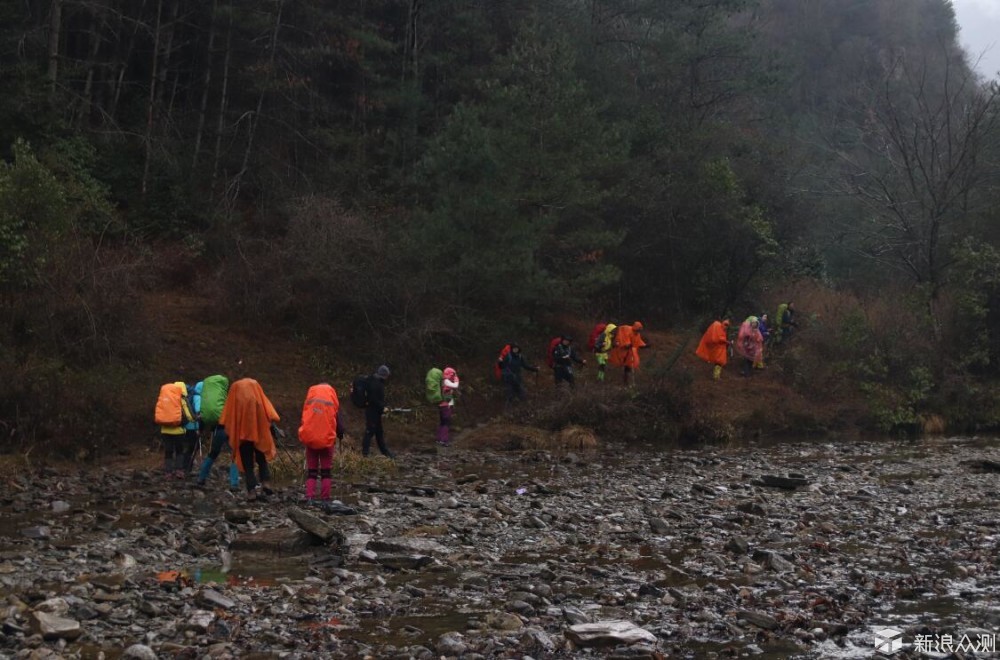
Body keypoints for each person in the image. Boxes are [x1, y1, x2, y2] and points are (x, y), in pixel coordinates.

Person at [219, 377, 281, 502]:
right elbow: (269, 411)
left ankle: (251, 491)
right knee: (261, 458)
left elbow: (228, 415)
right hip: (259, 433)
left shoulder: (235, 394)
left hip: (243, 437)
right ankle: (266, 483)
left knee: (248, 464)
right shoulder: (257, 395)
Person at [298, 383, 346, 507]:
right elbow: (339, 425)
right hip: (327, 441)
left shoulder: (310, 403)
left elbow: (304, 419)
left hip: (311, 441)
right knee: (326, 471)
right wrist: (340, 434)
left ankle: (309, 497)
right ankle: (325, 498)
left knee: (312, 471)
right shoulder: (331, 404)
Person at [196, 374, 240, 489]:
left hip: (218, 429)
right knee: (235, 455)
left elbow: (203, 415)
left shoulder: (210, 400)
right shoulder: (227, 398)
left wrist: (200, 429)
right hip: (230, 429)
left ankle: (201, 478)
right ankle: (234, 484)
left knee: (213, 454)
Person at [159, 382, 195, 479]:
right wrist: (194, 419)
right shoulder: (182, 399)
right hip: (178, 430)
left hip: (165, 430)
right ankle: (179, 470)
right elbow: (189, 415)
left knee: (168, 451)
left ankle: (168, 472)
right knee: (179, 450)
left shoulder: (164, 398)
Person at [363, 365, 395, 459]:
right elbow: (374, 399)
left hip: (376, 412)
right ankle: (365, 453)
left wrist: (383, 407)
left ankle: (385, 452)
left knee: (379, 432)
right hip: (372, 412)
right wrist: (383, 407)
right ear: (384, 375)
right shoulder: (376, 384)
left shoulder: (375, 381)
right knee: (369, 432)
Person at [498, 343, 540, 408]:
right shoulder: (508, 356)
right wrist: (500, 362)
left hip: (518, 378)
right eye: (514, 348)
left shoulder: (520, 357)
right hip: (509, 379)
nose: (515, 350)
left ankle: (523, 409)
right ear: (512, 349)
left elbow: (525, 366)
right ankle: (508, 411)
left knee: (522, 394)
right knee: (510, 395)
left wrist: (534, 369)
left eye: (517, 348)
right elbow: (502, 366)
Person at [609, 321, 648, 386]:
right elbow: (623, 337)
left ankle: (626, 381)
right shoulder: (628, 330)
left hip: (630, 352)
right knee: (622, 363)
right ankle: (624, 381)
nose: (638, 332)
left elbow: (638, 341)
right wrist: (627, 344)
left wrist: (644, 345)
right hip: (623, 350)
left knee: (628, 366)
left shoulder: (637, 334)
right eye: (638, 330)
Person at [182, 380, 203, 476]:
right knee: (193, 447)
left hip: (183, 426)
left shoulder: (186, 397)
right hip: (193, 426)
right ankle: (187, 467)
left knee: (184, 447)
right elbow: (199, 411)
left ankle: (181, 467)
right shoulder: (197, 397)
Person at [437, 367, 459, 447]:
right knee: (446, 422)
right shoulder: (445, 381)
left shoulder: (442, 380)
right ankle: (444, 440)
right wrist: (456, 379)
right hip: (445, 405)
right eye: (453, 374)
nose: (453, 376)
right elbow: (455, 386)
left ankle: (439, 439)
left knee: (442, 422)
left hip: (442, 404)